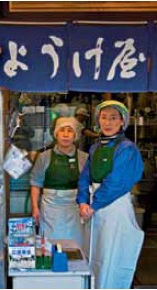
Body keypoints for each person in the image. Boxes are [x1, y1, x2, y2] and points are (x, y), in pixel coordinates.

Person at [77, 100, 144, 289]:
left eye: (113, 118)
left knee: (112, 256)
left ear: (123, 121)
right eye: (104, 117)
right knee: (94, 253)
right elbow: (85, 177)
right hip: (93, 207)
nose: (107, 122)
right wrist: (82, 201)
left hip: (114, 207)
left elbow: (117, 183)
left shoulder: (127, 149)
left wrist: (93, 204)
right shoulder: (95, 147)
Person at [30, 117, 88, 246]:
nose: (66, 135)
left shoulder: (84, 158)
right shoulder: (44, 157)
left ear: (75, 135)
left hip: (75, 207)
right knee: (50, 244)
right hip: (50, 207)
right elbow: (35, 184)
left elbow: (89, 185)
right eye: (62, 130)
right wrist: (35, 208)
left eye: (70, 131)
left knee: (75, 245)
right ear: (56, 134)